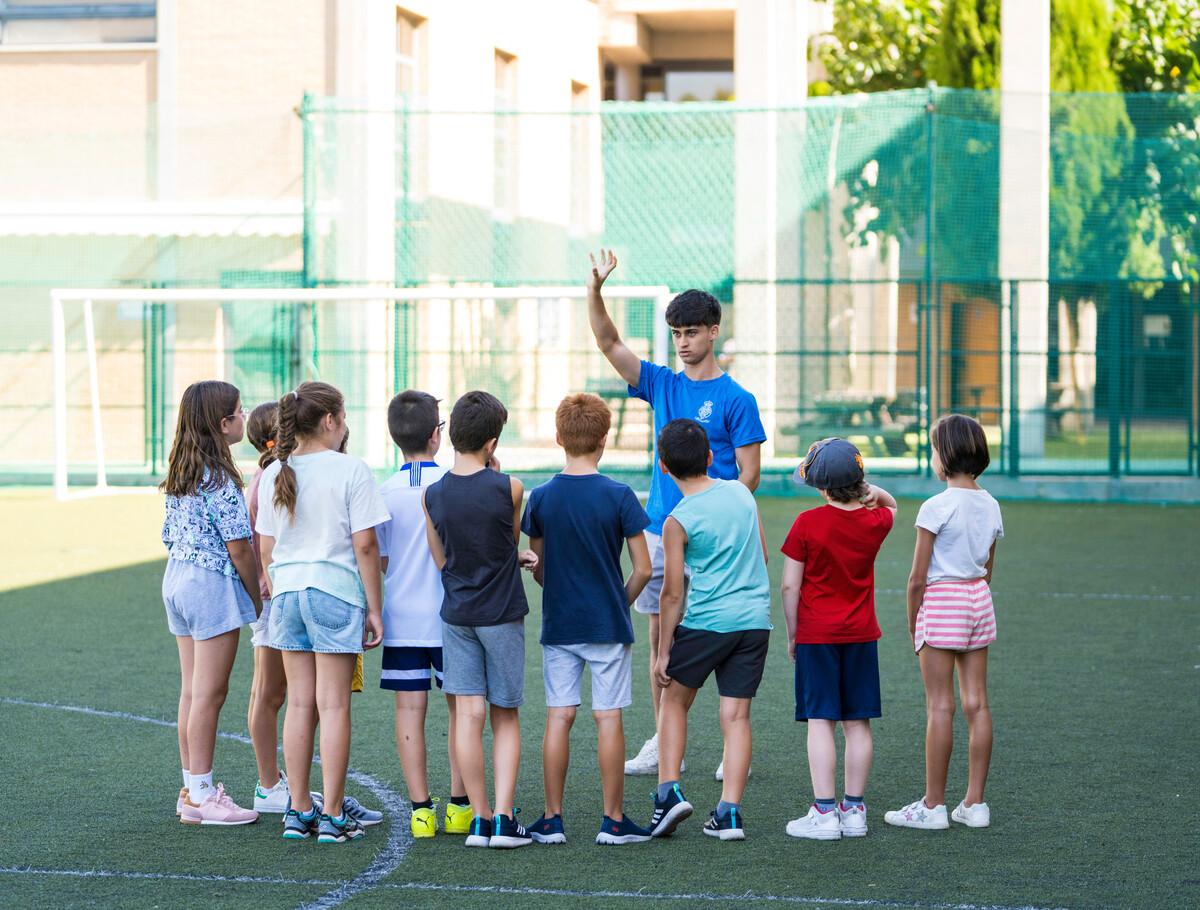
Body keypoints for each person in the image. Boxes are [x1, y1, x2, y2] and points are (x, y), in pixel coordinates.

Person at [587, 249, 766, 780]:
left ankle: (730, 746)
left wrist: (711, 516)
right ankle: (669, 742)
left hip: (713, 542)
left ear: (713, 331)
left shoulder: (737, 398)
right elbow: (609, 343)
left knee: (722, 636)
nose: (683, 342)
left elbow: (750, 475)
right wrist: (595, 292)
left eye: (692, 331)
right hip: (660, 531)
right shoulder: (662, 383)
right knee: (661, 641)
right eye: (676, 333)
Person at [256, 381, 390, 844]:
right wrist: (375, 608)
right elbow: (366, 545)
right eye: (344, 417)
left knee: (298, 704)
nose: (346, 426)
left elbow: (267, 547)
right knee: (333, 706)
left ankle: (298, 810)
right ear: (330, 421)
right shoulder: (352, 470)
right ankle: (332, 814)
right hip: (334, 592)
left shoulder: (277, 472)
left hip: (288, 596)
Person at [521, 393, 655, 846]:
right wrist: (618, 600)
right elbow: (644, 568)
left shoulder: (540, 498)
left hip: (560, 623)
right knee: (608, 717)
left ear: (558, 438)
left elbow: (536, 566)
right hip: (607, 626)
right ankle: (613, 820)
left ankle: (552, 819)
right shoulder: (619, 496)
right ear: (605, 439)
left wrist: (556, 588)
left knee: (559, 716)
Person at [422, 391, 538, 849]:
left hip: (457, 615)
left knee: (466, 717)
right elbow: (507, 543)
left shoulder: (432, 495)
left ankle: (479, 819)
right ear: (492, 443)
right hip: (502, 613)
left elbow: (441, 560)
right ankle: (506, 820)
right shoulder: (510, 487)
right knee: (504, 715)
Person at [646, 419, 771, 842]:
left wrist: (664, 652)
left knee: (673, 702)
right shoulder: (740, 492)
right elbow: (763, 555)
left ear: (663, 467)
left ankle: (667, 792)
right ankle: (729, 812)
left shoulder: (676, 520)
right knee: (736, 716)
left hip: (707, 623)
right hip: (754, 622)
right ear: (711, 457)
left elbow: (671, 594)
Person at [886, 414, 1003, 831]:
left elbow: (917, 577)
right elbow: (987, 569)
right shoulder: (990, 503)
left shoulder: (935, 506)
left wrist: (913, 622)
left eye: (935, 448)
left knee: (940, 705)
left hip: (942, 603)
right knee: (977, 704)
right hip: (978, 603)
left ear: (945, 455)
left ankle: (933, 805)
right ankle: (975, 803)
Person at [778, 438, 897, 840]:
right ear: (860, 480)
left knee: (820, 721)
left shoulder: (806, 525)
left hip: (817, 637)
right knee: (857, 722)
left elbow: (789, 588)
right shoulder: (876, 521)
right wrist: (871, 492)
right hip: (862, 635)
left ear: (821, 486)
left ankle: (825, 813)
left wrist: (794, 634)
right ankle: (855, 810)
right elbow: (890, 504)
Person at [160, 380, 261, 826]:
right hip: (208, 583)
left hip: (177, 578)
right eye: (240, 412)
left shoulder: (183, 471)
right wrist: (259, 595)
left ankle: (191, 787)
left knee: (192, 690)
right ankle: (203, 795)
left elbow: (168, 533)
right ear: (224, 424)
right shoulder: (220, 478)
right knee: (211, 693)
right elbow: (239, 547)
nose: (245, 417)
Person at [376, 390, 470, 839]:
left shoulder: (383, 492)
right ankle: (459, 807)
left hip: (401, 619)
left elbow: (378, 558)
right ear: (438, 436)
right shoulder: (454, 483)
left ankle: (419, 813)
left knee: (409, 710)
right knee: (460, 709)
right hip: (451, 617)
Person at [244, 401, 290, 814]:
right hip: (272, 596)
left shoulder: (271, 475)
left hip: (274, 594)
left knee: (273, 691)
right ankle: (268, 783)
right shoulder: (267, 479)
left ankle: (275, 780)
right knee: (269, 692)